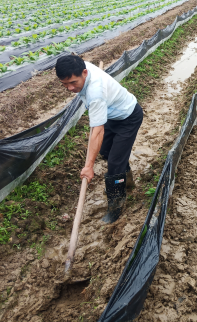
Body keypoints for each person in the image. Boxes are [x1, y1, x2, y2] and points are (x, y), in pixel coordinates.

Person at [55, 55, 143, 223]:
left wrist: (88, 167)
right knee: (106, 151)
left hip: (128, 117)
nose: (69, 88)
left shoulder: (95, 93)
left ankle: (116, 206)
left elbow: (97, 131)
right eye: (65, 84)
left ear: (85, 73)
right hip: (111, 114)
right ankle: (127, 181)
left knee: (115, 164)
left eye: (73, 83)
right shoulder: (80, 67)